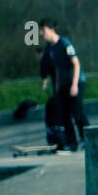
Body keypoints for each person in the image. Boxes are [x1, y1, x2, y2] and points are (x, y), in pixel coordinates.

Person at [38, 18, 80, 151]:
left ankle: (87, 139)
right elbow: (46, 65)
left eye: (43, 30)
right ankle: (72, 143)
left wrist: (74, 84)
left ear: (51, 29)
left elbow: (76, 63)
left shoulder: (65, 43)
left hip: (75, 81)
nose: (41, 33)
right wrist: (45, 80)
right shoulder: (49, 47)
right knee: (65, 115)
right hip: (62, 85)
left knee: (78, 113)